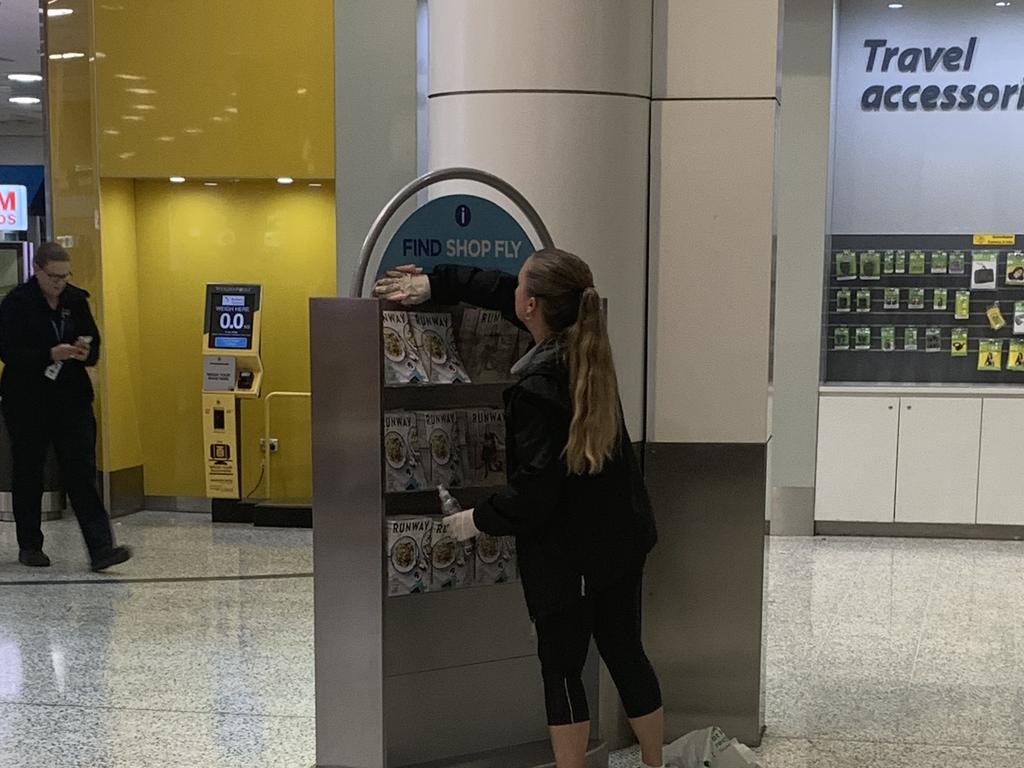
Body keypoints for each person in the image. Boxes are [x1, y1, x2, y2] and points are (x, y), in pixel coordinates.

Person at [375, 249, 664, 768]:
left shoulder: (538, 387)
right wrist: (439, 283)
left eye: (520, 290)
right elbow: (501, 287)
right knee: (625, 651)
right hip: (623, 539)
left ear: (531, 306)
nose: (510, 293)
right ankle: (654, 761)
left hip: (568, 554)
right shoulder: (588, 353)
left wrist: (474, 520)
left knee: (562, 668)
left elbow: (535, 492)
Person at [0, 242, 132, 571]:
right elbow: (9, 352)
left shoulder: (75, 300)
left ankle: (101, 549)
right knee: (29, 471)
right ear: (37, 270)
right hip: (28, 400)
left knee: (81, 473)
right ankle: (30, 545)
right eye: (54, 276)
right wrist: (48, 354)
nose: (60, 282)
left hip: (71, 399)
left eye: (64, 276)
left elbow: (93, 339)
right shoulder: (17, 304)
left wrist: (87, 351)